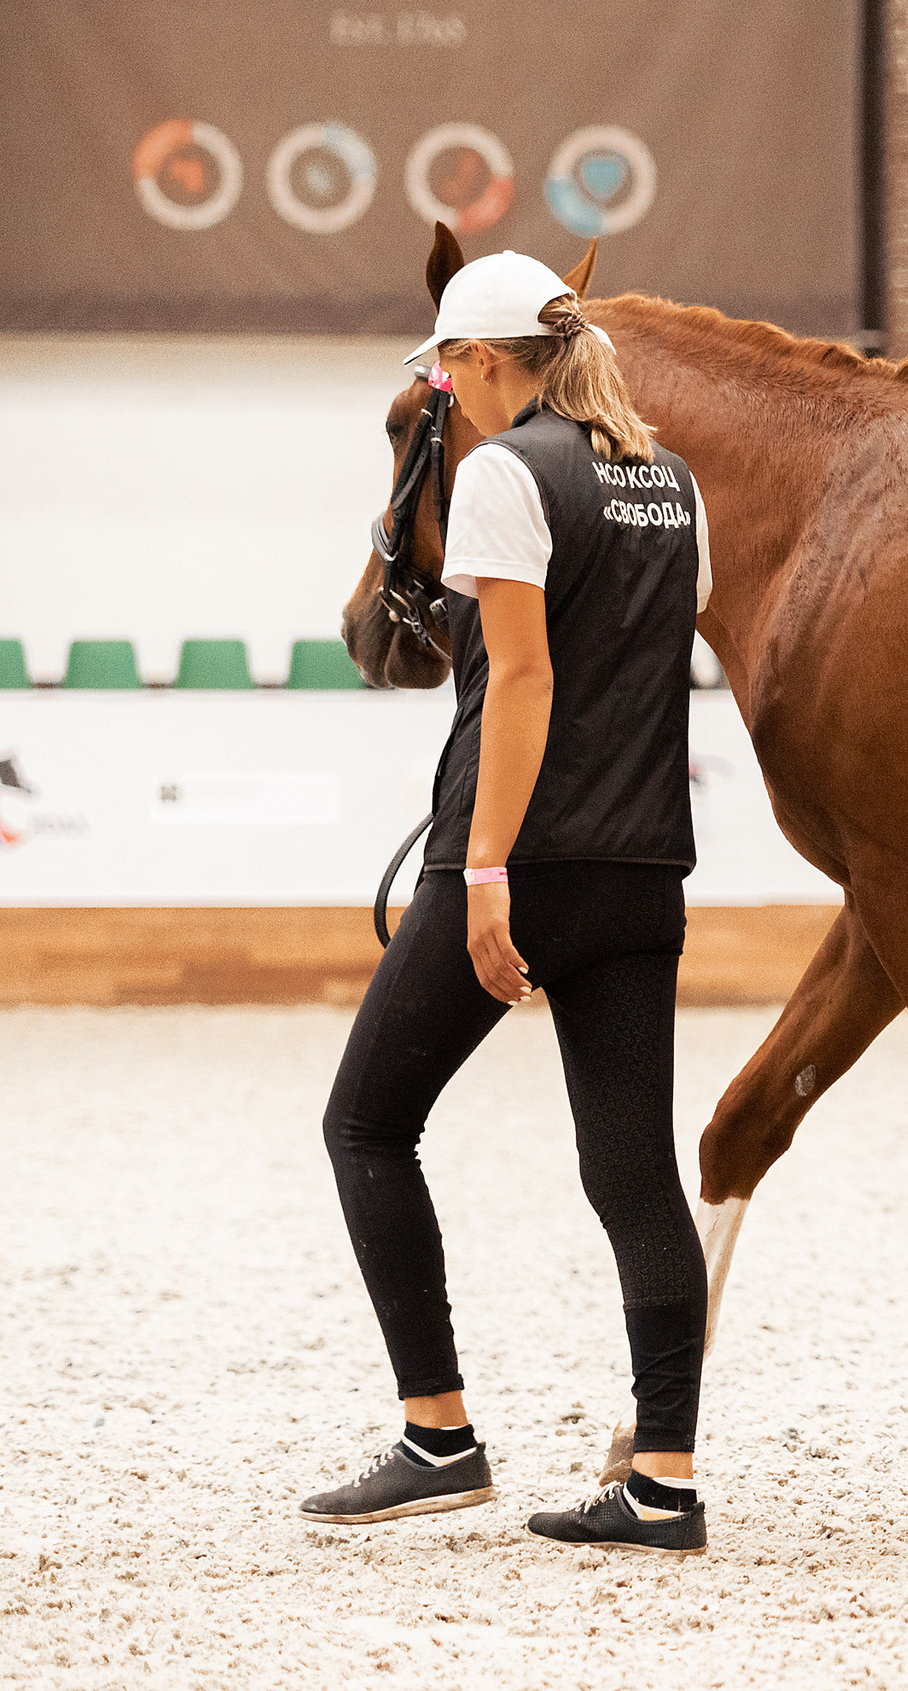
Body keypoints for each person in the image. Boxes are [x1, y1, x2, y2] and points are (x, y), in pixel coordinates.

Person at [298, 250, 715, 1554]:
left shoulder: (499, 471)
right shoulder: (669, 480)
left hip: (522, 859)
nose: (452, 393)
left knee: (366, 1123)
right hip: (644, 862)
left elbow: (523, 680)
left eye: (451, 371)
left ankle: (438, 1433)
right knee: (635, 1171)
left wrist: (483, 873)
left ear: (479, 363)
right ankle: (663, 1479)